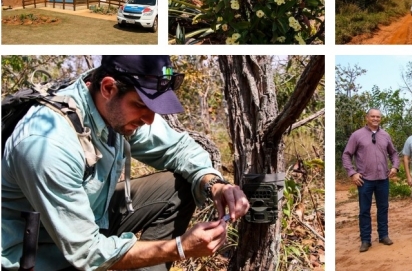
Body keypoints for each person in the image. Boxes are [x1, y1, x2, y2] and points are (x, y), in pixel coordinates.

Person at [1, 55, 250, 271]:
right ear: (108, 88)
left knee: (176, 186)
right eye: (141, 105)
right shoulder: (48, 144)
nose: (149, 120)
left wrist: (214, 185)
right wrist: (180, 248)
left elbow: (177, 147)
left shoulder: (110, 108)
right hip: (41, 254)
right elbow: (85, 253)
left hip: (92, 221)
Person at [342, 108, 399, 253]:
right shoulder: (357, 135)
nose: (375, 119)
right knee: (364, 211)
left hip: (382, 179)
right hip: (364, 180)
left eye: (378, 117)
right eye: (372, 116)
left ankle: (383, 235)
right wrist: (352, 173)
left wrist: (395, 167)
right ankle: (365, 240)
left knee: (383, 208)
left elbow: (393, 153)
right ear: (367, 118)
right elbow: (346, 155)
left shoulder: (385, 135)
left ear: (380, 119)